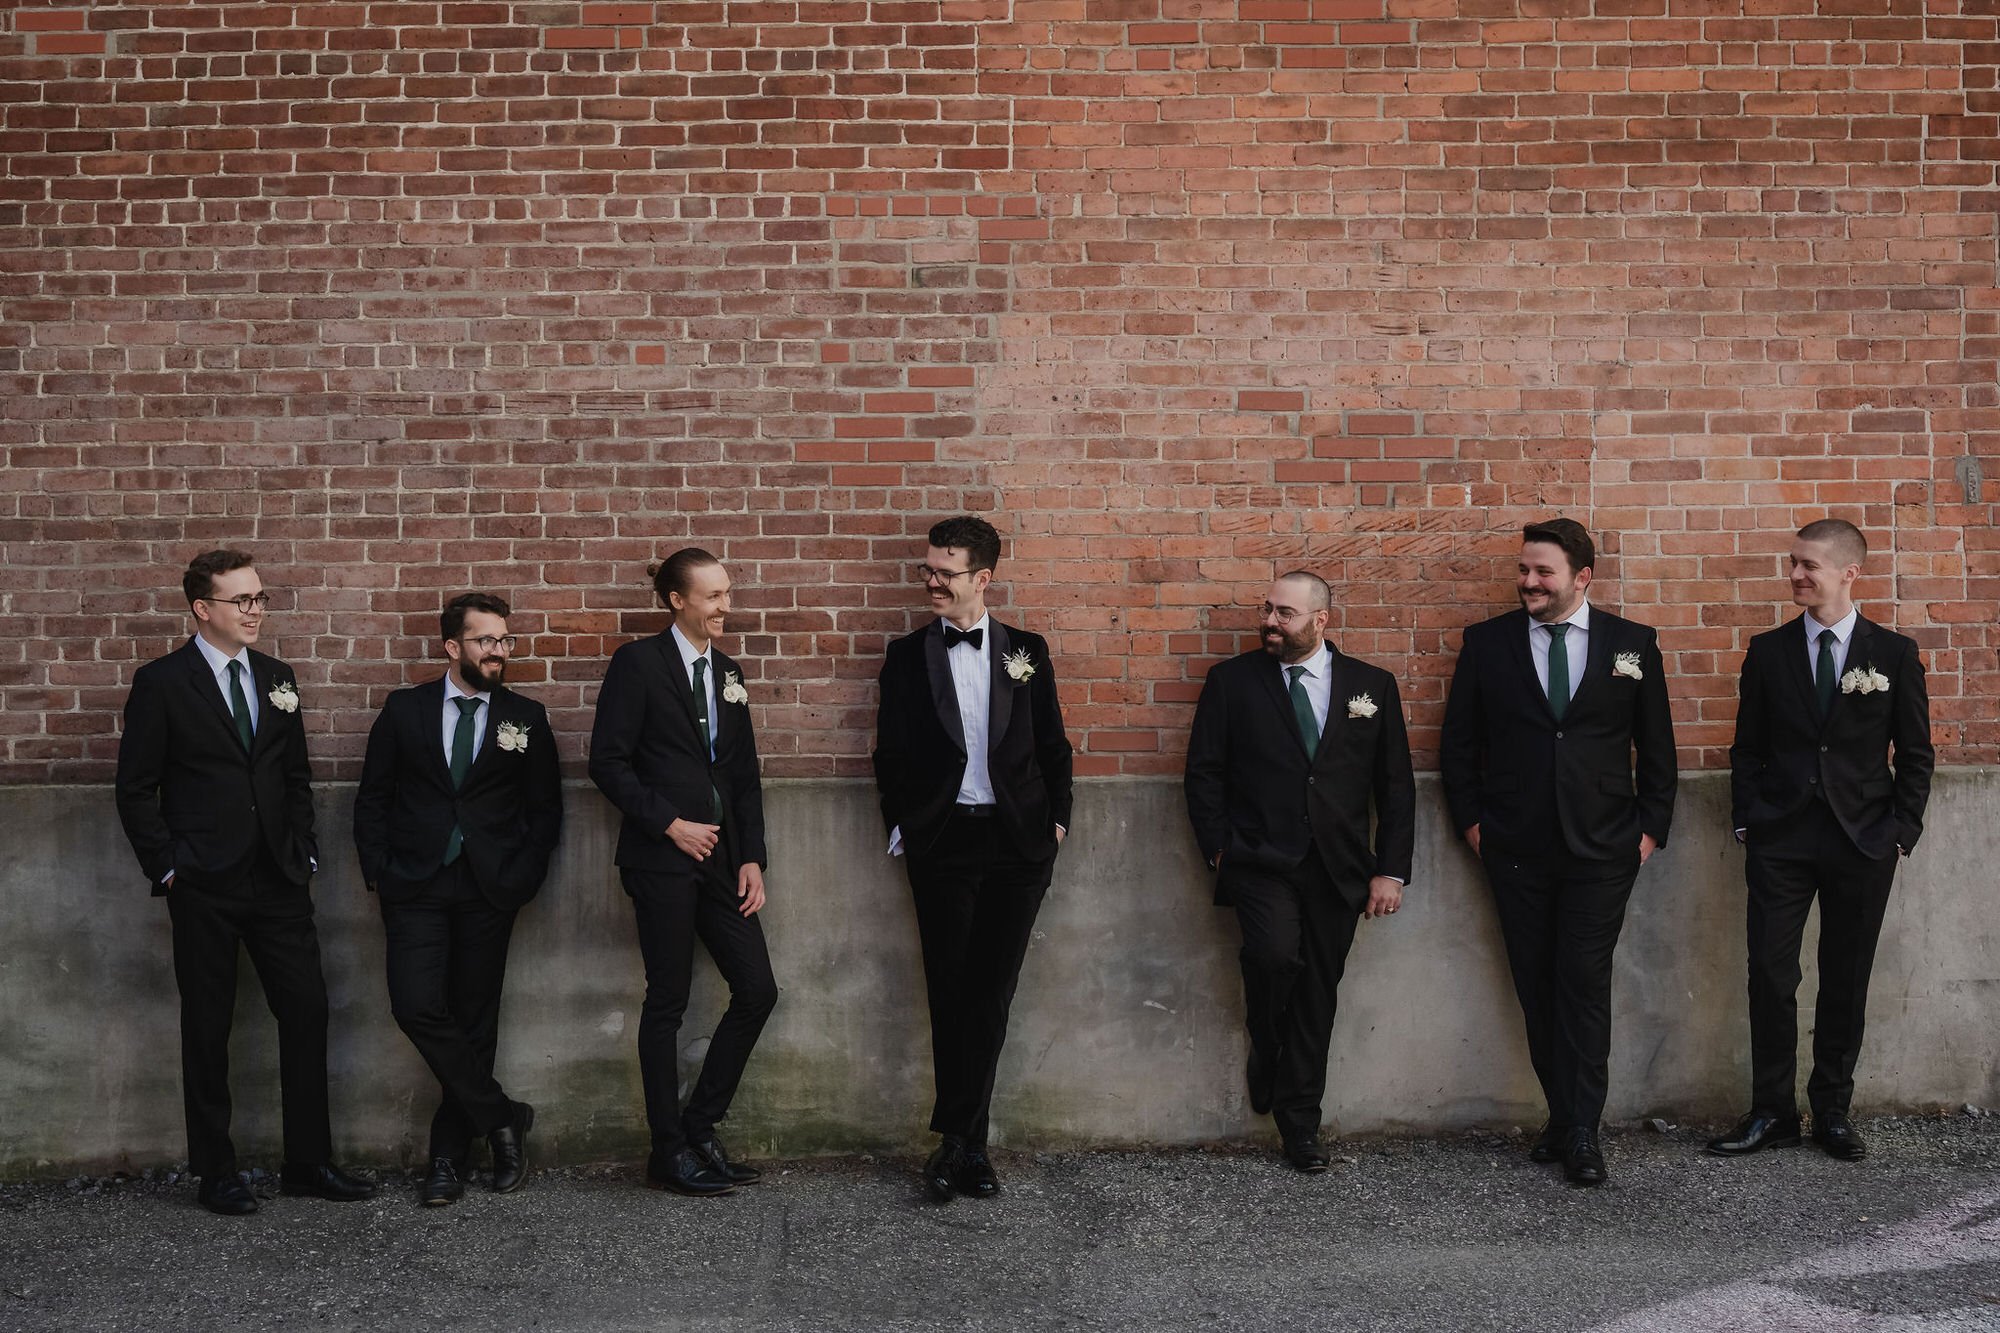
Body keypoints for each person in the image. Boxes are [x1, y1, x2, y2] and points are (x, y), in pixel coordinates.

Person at [114, 549, 376, 1214]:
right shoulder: (164, 683)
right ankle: (217, 1169)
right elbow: (136, 787)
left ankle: (309, 1160)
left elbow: (293, 776)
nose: (255, 609)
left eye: (260, 597)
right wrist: (169, 866)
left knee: (308, 1009)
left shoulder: (278, 677)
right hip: (203, 881)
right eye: (242, 599)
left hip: (278, 878)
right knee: (208, 1024)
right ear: (204, 608)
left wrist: (304, 850)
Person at [1439, 519, 1677, 1186]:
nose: (1528, 582)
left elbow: (1657, 748)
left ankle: (1581, 1130)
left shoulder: (1632, 644)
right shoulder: (1488, 644)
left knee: (1582, 979)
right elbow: (1459, 746)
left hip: (1604, 847)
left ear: (1582, 577)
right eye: (1524, 570)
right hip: (1514, 845)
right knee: (1535, 981)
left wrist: (1649, 829)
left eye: (1542, 572)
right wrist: (1474, 827)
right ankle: (1560, 1110)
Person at [1707, 518, 1934, 1162]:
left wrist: (1901, 831)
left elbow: (1915, 754)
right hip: (1780, 837)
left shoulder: (1892, 654)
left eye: (1809, 565)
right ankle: (1772, 1111)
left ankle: (1832, 1109)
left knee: (1845, 976)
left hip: (1862, 840)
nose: (1796, 575)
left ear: (1849, 572)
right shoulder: (1768, 651)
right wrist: (1749, 818)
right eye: (1793, 563)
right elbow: (1746, 747)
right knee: (1770, 974)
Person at [1184, 571, 1416, 1172]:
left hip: (1339, 867)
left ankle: (1300, 1124)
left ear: (1320, 620)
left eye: (1283, 613)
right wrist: (1219, 851)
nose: (1269, 621)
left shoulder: (1372, 686)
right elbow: (1204, 773)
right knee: (1271, 957)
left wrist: (1390, 871)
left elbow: (1395, 789)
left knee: (1317, 993)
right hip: (1259, 860)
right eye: (1267, 610)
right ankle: (1267, 1043)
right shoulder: (1233, 683)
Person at [873, 515, 1074, 1202]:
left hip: (1018, 844)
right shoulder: (906, 655)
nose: (930, 580)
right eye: (927, 568)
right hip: (942, 841)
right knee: (950, 989)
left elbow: (1053, 743)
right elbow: (890, 752)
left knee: (992, 994)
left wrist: (1058, 823)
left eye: (944, 571)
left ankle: (963, 1143)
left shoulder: (1028, 650)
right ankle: (967, 1146)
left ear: (982, 578)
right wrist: (903, 827)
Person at [354, 592, 563, 1205]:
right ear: (453, 647)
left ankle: (446, 1160)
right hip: (414, 883)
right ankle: (502, 1116)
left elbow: (544, 810)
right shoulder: (404, 710)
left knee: (474, 1021)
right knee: (416, 1004)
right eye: (484, 641)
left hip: (488, 887)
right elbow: (373, 797)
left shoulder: (526, 717)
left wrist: (522, 877)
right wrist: (379, 870)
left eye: (504, 640)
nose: (498, 651)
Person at [589, 549, 776, 1197]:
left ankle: (700, 1125)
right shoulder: (637, 665)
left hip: (725, 862)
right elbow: (607, 762)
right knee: (667, 1000)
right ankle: (667, 1149)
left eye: (727, 592)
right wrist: (669, 822)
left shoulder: (729, 672)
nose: (726, 605)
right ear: (677, 600)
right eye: (714, 595)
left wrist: (751, 855)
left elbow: (744, 775)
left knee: (758, 988)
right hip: (661, 860)